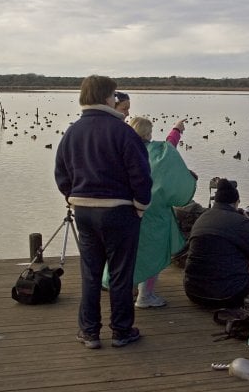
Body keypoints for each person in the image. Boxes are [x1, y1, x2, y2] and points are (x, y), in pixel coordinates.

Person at [54, 75, 152, 349]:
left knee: (90, 273)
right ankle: (121, 331)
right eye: (113, 94)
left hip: (84, 211)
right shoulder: (123, 132)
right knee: (121, 274)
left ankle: (89, 332)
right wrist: (141, 207)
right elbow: (141, 176)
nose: (115, 98)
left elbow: (61, 173)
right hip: (120, 212)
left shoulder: (72, 131)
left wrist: (72, 198)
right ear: (106, 98)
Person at [125, 117, 196, 308]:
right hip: (153, 212)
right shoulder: (157, 153)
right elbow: (170, 148)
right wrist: (177, 129)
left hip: (127, 211)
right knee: (153, 253)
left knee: (130, 252)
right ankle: (145, 296)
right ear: (148, 134)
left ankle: (126, 291)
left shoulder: (122, 150)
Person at [184, 178, 249, 309]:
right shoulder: (239, 222)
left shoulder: (202, 218)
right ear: (236, 202)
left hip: (193, 292)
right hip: (226, 295)